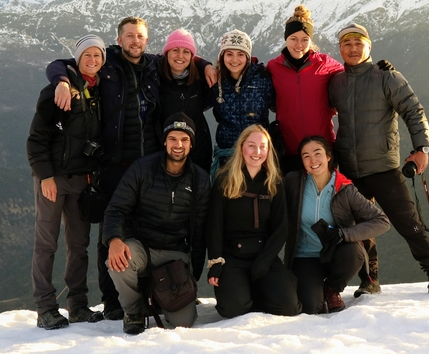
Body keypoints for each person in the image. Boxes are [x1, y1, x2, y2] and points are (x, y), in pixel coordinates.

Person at [45, 17, 216, 319]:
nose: (135, 41)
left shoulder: (154, 64)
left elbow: (181, 54)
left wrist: (204, 64)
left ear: (147, 41)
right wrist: (61, 80)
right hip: (112, 165)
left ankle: (156, 291)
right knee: (109, 235)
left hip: (148, 165)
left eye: (140, 36)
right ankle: (113, 302)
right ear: (119, 39)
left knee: (144, 230)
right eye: (130, 36)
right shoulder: (107, 60)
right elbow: (62, 63)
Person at [328, 23, 429, 300]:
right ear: (340, 49)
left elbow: (413, 110)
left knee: (408, 223)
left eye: (358, 43)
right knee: (361, 229)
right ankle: (370, 280)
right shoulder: (335, 82)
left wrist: (422, 148)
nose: (352, 49)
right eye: (347, 44)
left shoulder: (387, 76)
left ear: (369, 46)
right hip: (350, 170)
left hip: (384, 167)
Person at [103, 113, 210, 334]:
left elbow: (200, 232)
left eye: (184, 139)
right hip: (142, 246)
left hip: (175, 253)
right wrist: (114, 239)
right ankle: (134, 310)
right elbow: (116, 209)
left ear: (191, 144)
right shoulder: (142, 169)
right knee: (120, 260)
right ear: (164, 141)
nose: (178, 145)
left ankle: (162, 297)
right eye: (172, 138)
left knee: (183, 323)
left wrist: (192, 278)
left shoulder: (199, 179)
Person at [27, 35, 107, 330]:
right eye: (87, 54)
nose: (93, 60)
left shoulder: (98, 92)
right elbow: (36, 140)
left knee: (79, 245)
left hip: (82, 181)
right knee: (46, 245)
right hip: (53, 180)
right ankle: (45, 308)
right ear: (77, 57)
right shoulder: (57, 92)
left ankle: (78, 305)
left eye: (98, 55)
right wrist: (45, 176)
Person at [285, 136, 390, 314]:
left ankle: (332, 290)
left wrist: (344, 234)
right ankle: (317, 291)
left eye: (317, 153)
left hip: (337, 253)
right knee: (311, 307)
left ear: (328, 156)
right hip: (306, 256)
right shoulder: (293, 183)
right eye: (306, 156)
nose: (313, 160)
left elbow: (382, 222)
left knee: (354, 252)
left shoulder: (345, 189)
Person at [207, 124, 301, 319]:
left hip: (263, 254)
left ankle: (259, 290)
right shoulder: (225, 180)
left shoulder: (274, 182)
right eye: (251, 145)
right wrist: (216, 262)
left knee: (288, 306)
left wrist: (265, 262)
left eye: (263, 146)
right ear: (242, 147)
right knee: (233, 309)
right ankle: (242, 292)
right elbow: (214, 225)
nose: (257, 152)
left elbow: (281, 228)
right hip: (232, 256)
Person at [267, 5, 343, 174]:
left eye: (304, 39)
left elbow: (354, 74)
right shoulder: (273, 66)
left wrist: (378, 70)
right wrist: (204, 65)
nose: (299, 45)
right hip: (289, 149)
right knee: (294, 199)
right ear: (286, 38)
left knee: (325, 199)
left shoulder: (325, 63)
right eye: (294, 38)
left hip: (323, 149)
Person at [211, 30, 275, 177]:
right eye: (229, 54)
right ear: (222, 56)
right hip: (227, 157)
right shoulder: (215, 81)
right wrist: (204, 65)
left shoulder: (262, 79)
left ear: (247, 56)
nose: (235, 60)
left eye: (240, 54)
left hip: (258, 157)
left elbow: (278, 107)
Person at [158, 29, 213, 173]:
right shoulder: (155, 75)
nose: (180, 56)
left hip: (199, 151)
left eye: (186, 52)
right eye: (175, 50)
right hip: (165, 152)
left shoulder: (200, 78)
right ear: (167, 53)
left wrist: (206, 65)